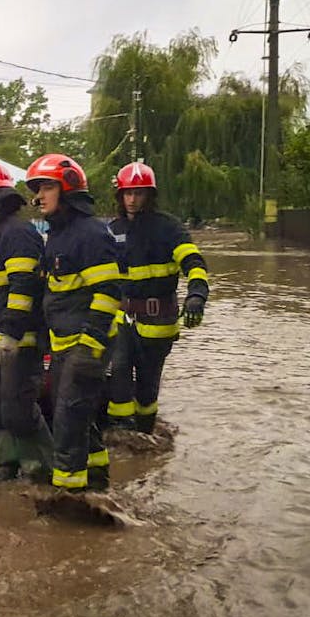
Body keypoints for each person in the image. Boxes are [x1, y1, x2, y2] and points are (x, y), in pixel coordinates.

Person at [27, 154, 120, 492]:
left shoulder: (91, 234)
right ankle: (97, 480)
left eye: (46, 186)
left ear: (67, 189)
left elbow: (109, 293)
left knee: (66, 421)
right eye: (37, 188)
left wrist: (89, 347)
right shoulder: (58, 235)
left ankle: (68, 498)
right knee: (79, 417)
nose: (39, 196)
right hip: (66, 346)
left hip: (85, 346)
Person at [105, 161, 209, 434]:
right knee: (118, 372)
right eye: (127, 193)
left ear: (149, 196)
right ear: (119, 196)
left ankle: (145, 433)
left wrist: (196, 295)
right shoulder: (112, 230)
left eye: (139, 193)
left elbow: (193, 261)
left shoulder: (168, 228)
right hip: (121, 317)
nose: (132, 199)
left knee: (148, 384)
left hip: (158, 319)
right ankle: (121, 435)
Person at [0, 161, 53, 483]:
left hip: (18, 342)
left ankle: (40, 469)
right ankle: (2, 465)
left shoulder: (18, 233)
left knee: (17, 409)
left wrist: (11, 334)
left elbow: (23, 286)